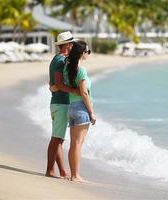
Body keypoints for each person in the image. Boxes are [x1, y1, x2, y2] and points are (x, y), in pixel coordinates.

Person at [46, 31, 79, 178]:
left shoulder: (58, 59)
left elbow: (53, 84)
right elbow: (57, 83)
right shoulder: (60, 60)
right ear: (67, 45)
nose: (73, 46)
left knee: (59, 138)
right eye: (71, 43)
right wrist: (75, 91)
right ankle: (49, 170)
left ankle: (62, 171)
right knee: (56, 138)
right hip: (60, 103)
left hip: (58, 102)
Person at [64, 40, 96, 182]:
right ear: (82, 53)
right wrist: (92, 112)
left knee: (73, 144)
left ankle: (73, 175)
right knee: (78, 144)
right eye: (88, 51)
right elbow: (84, 93)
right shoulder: (81, 70)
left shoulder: (67, 68)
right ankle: (75, 176)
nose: (88, 54)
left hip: (70, 107)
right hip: (81, 109)